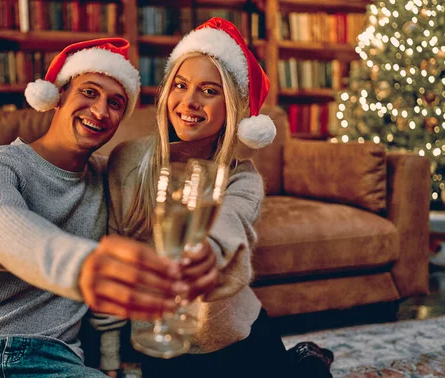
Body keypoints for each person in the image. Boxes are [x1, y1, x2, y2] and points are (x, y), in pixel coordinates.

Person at [0, 38, 190, 378]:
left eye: (116, 103)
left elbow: (182, 167)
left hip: (57, 362)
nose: (100, 111)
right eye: (89, 92)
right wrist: (83, 266)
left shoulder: (112, 177)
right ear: (57, 96)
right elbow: (2, 229)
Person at [97, 18, 334, 378]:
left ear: (231, 108)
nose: (189, 101)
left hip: (235, 338)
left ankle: (306, 360)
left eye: (209, 91)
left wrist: (206, 249)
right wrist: (110, 360)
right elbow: (111, 263)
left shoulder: (243, 178)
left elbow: (230, 222)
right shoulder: (128, 161)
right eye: (180, 85)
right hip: (161, 347)